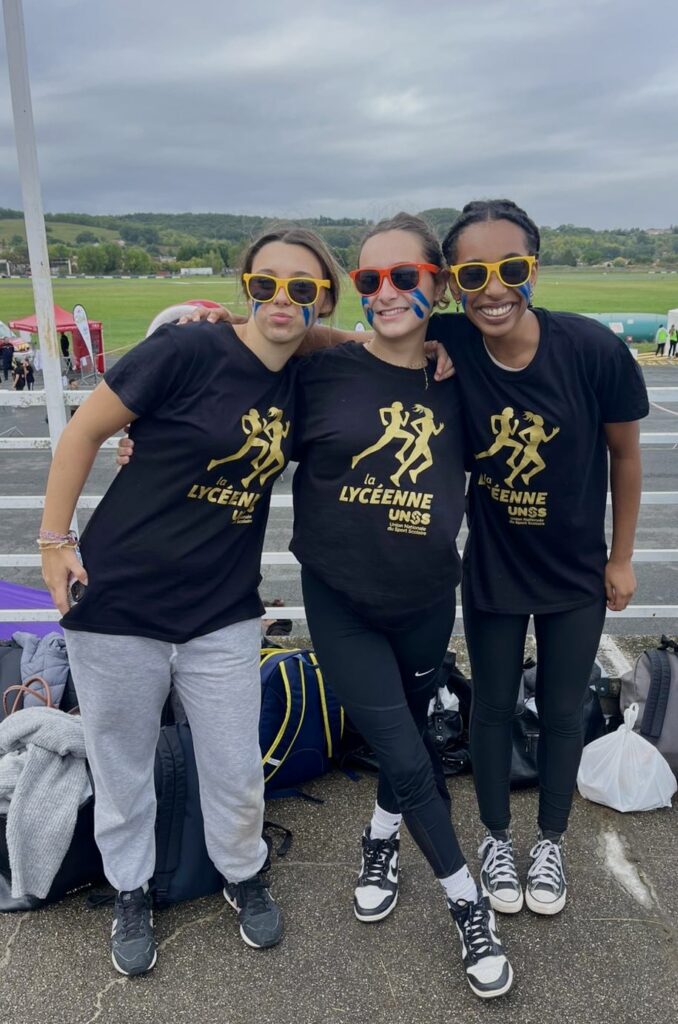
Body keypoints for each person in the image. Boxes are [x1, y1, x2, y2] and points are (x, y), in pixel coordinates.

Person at [121, 214, 514, 1000]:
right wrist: (152, 432)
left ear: (436, 282)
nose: (388, 292)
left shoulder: (462, 369)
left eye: (406, 276)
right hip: (341, 597)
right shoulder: (319, 373)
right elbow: (236, 404)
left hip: (430, 596)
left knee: (408, 728)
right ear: (354, 293)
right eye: (370, 281)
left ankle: (379, 836)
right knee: (404, 748)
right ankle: (467, 905)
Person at [39, 227, 340, 977]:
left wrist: (414, 343)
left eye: (302, 288)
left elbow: (354, 344)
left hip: (220, 609)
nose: (281, 299)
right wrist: (54, 543)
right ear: (244, 286)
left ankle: (242, 871)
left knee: (236, 764)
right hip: (119, 600)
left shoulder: (305, 380)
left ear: (322, 298)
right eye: (265, 284)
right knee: (122, 762)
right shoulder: (187, 349)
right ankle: (130, 888)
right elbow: (83, 431)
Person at [432, 199, 648, 919]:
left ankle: (549, 840)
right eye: (473, 272)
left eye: (511, 268)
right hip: (494, 566)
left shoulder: (590, 349)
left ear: (535, 268)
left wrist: (620, 559)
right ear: (453, 280)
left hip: (574, 571)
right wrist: (215, 320)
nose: (493, 288)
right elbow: (353, 344)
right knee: (490, 709)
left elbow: (625, 455)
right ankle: (497, 836)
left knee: (561, 709)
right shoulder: (453, 341)